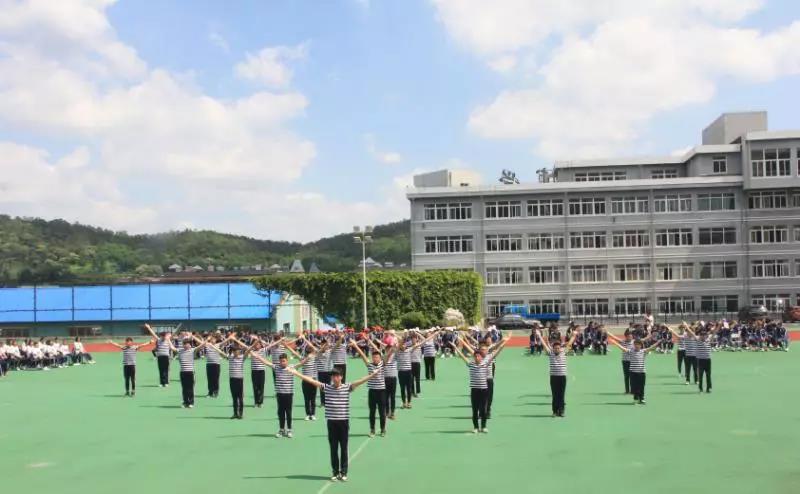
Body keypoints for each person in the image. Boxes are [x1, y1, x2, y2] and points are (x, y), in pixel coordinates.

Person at [286, 365, 380, 482]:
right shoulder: (326, 388)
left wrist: (373, 375)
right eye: (333, 376)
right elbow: (311, 381)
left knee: (344, 448)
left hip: (343, 422)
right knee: (333, 448)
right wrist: (295, 373)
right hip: (331, 423)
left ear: (341, 377)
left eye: (337, 376)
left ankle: (344, 472)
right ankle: (335, 472)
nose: (334, 378)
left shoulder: (347, 387)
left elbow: (360, 381)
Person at [452, 332, 510, 433]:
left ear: (487, 350)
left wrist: (504, 343)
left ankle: (484, 424)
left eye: (484, 349)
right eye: (481, 350)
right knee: (475, 409)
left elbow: (497, 350)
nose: (481, 352)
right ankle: (476, 427)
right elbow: (465, 355)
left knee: (485, 405)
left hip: (486, 383)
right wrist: (458, 344)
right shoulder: (473, 363)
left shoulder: (486, 361)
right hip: (476, 388)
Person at [350, 340, 393, 437]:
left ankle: (383, 429)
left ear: (380, 358)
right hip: (372, 392)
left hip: (381, 391)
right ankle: (372, 430)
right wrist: (355, 346)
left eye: (377, 357)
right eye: (374, 357)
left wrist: (393, 348)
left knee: (382, 412)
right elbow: (362, 355)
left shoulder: (382, 364)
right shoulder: (369, 365)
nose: (375, 358)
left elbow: (388, 355)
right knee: (372, 412)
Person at [537, 328, 578, 417]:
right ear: (553, 348)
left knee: (561, 394)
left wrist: (574, 335)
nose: (557, 349)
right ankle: (555, 411)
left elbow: (569, 344)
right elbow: (544, 345)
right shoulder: (550, 353)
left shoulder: (564, 353)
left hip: (562, 377)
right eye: (555, 348)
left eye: (558, 348)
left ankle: (561, 411)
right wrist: (539, 336)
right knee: (555, 395)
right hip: (554, 377)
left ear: (560, 348)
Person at [609, 337, 660, 404]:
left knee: (641, 386)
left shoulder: (643, 351)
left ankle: (641, 398)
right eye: (635, 344)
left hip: (641, 372)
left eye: (638, 344)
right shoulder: (631, 351)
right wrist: (615, 343)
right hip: (633, 372)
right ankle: (636, 398)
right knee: (634, 386)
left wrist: (658, 342)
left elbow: (651, 348)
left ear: (641, 345)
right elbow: (623, 349)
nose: (637, 346)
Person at [171, 336, 207, 408]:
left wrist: (194, 337)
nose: (185, 345)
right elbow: (172, 348)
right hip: (183, 372)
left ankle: (191, 402)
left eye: (187, 344)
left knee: (190, 388)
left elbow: (202, 344)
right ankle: (185, 402)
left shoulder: (192, 350)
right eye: (184, 344)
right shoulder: (180, 351)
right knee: (184, 388)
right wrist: (168, 340)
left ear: (189, 344)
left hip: (190, 372)